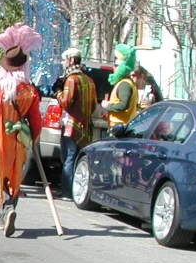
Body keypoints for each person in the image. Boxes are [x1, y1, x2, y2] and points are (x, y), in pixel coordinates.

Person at [0, 24, 42, 237]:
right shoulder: (30, 91)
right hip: (19, 141)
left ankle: (7, 209)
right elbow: (35, 120)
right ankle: (5, 217)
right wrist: (34, 138)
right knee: (14, 178)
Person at [54, 47, 97, 199]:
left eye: (64, 60)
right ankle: (76, 191)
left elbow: (65, 103)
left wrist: (58, 91)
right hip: (84, 126)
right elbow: (93, 106)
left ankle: (67, 192)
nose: (62, 63)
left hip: (71, 126)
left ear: (72, 60)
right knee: (78, 160)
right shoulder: (89, 80)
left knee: (68, 159)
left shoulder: (72, 79)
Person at [101, 44, 138, 127]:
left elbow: (123, 105)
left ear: (123, 67)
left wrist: (108, 105)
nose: (114, 68)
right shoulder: (127, 82)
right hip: (119, 126)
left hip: (120, 128)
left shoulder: (125, 84)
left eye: (116, 66)